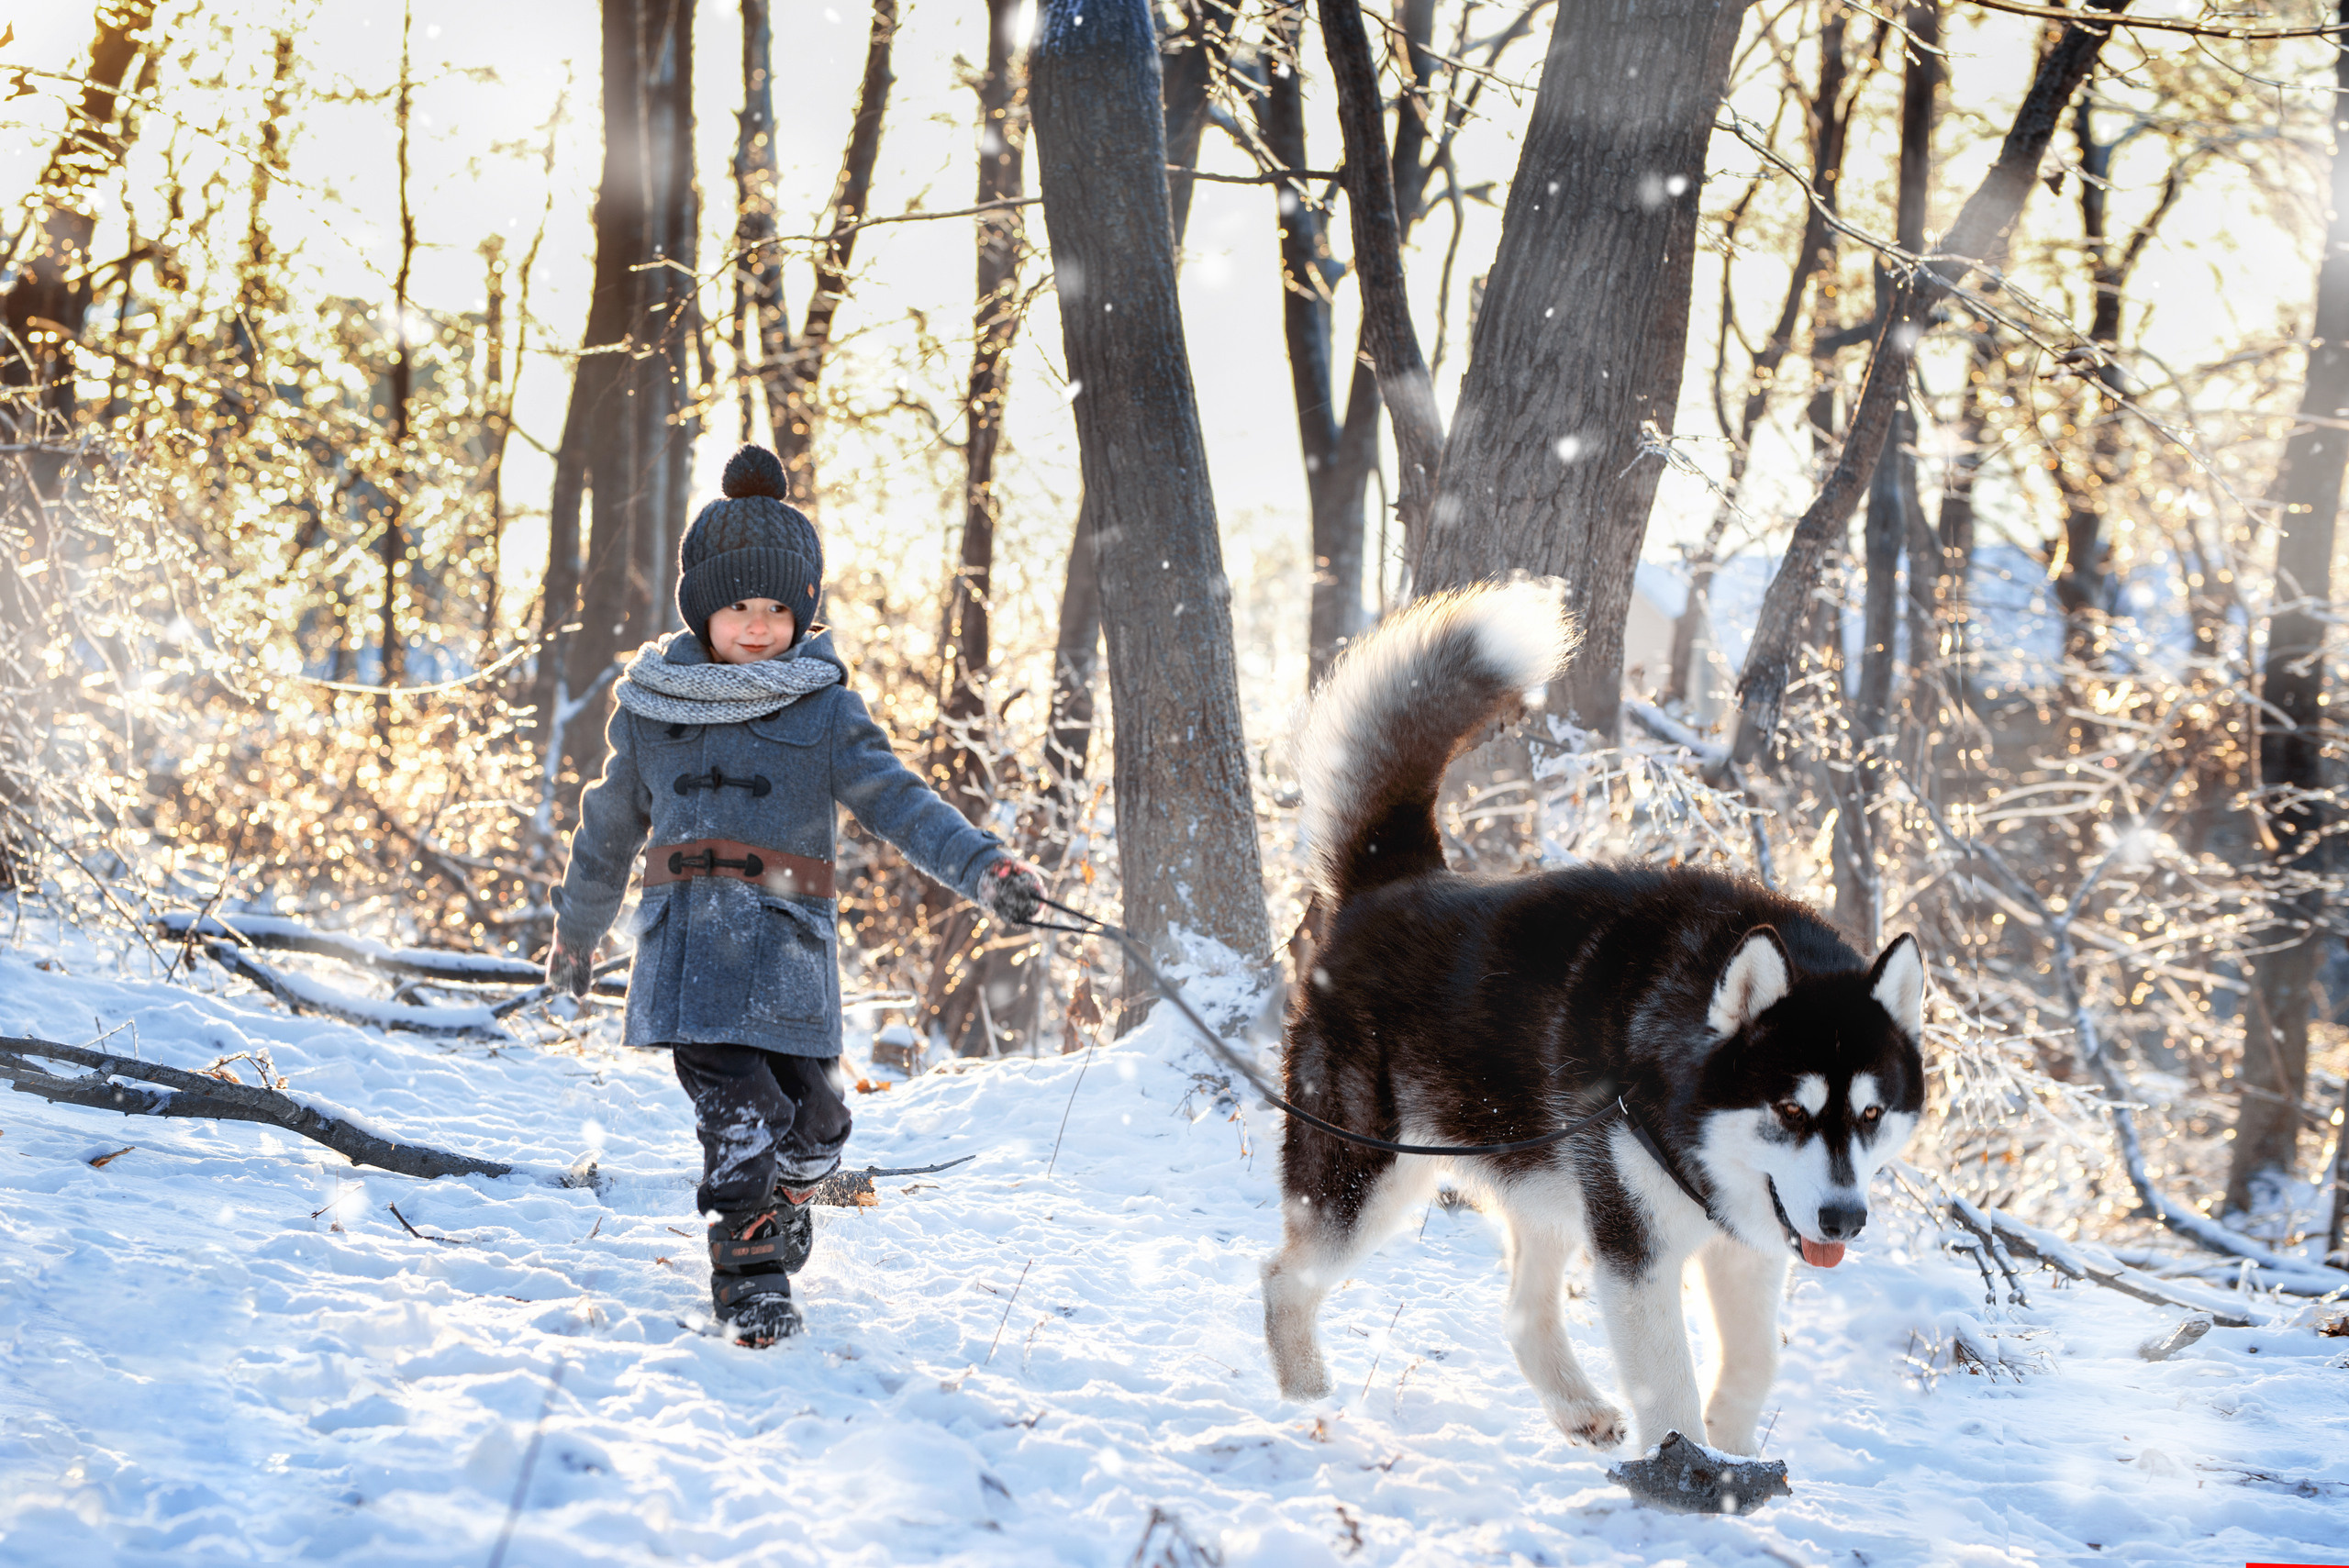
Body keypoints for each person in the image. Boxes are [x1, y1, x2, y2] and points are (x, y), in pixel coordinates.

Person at [543, 444, 1044, 1345]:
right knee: (742, 1114)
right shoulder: (653, 704)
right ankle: (749, 1270)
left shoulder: (824, 710)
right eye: (740, 606)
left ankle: (789, 1193)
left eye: (779, 607)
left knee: (815, 1122)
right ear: (702, 609)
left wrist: (984, 868)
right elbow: (609, 825)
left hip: (786, 956)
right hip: (690, 950)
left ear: (802, 612)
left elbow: (898, 801)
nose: (761, 626)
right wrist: (576, 934)